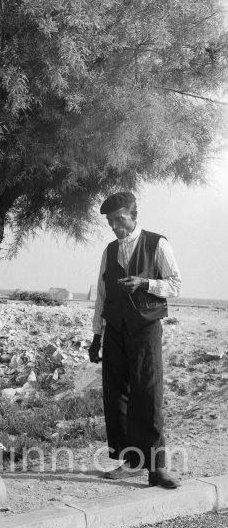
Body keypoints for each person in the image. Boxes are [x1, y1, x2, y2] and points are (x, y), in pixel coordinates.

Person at [88, 191, 182, 489]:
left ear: (133, 216)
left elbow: (175, 285)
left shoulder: (157, 243)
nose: (115, 227)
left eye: (120, 220)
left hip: (145, 326)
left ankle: (156, 468)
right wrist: (97, 336)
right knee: (116, 395)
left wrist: (144, 283)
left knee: (148, 393)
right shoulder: (109, 250)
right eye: (110, 222)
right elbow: (102, 296)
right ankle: (131, 462)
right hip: (115, 329)